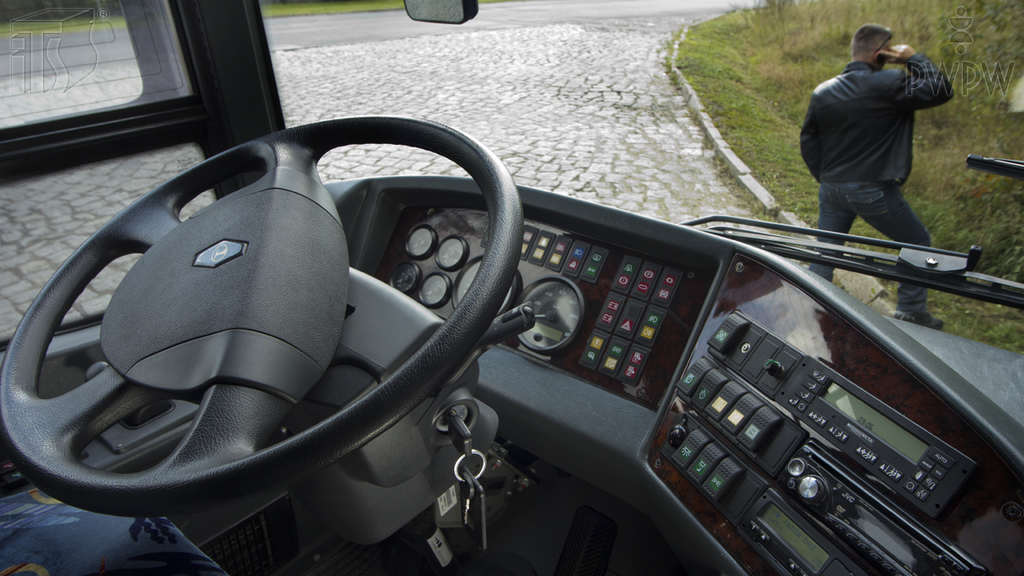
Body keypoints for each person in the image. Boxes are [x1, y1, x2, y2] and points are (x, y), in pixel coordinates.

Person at [800, 24, 953, 330]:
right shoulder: (890, 82)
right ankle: (910, 311)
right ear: (880, 53)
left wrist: (826, 177)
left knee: (826, 252)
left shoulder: (823, 91)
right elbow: (941, 89)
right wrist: (913, 58)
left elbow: (808, 142)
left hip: (831, 188)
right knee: (918, 242)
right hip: (872, 189)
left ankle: (808, 305)